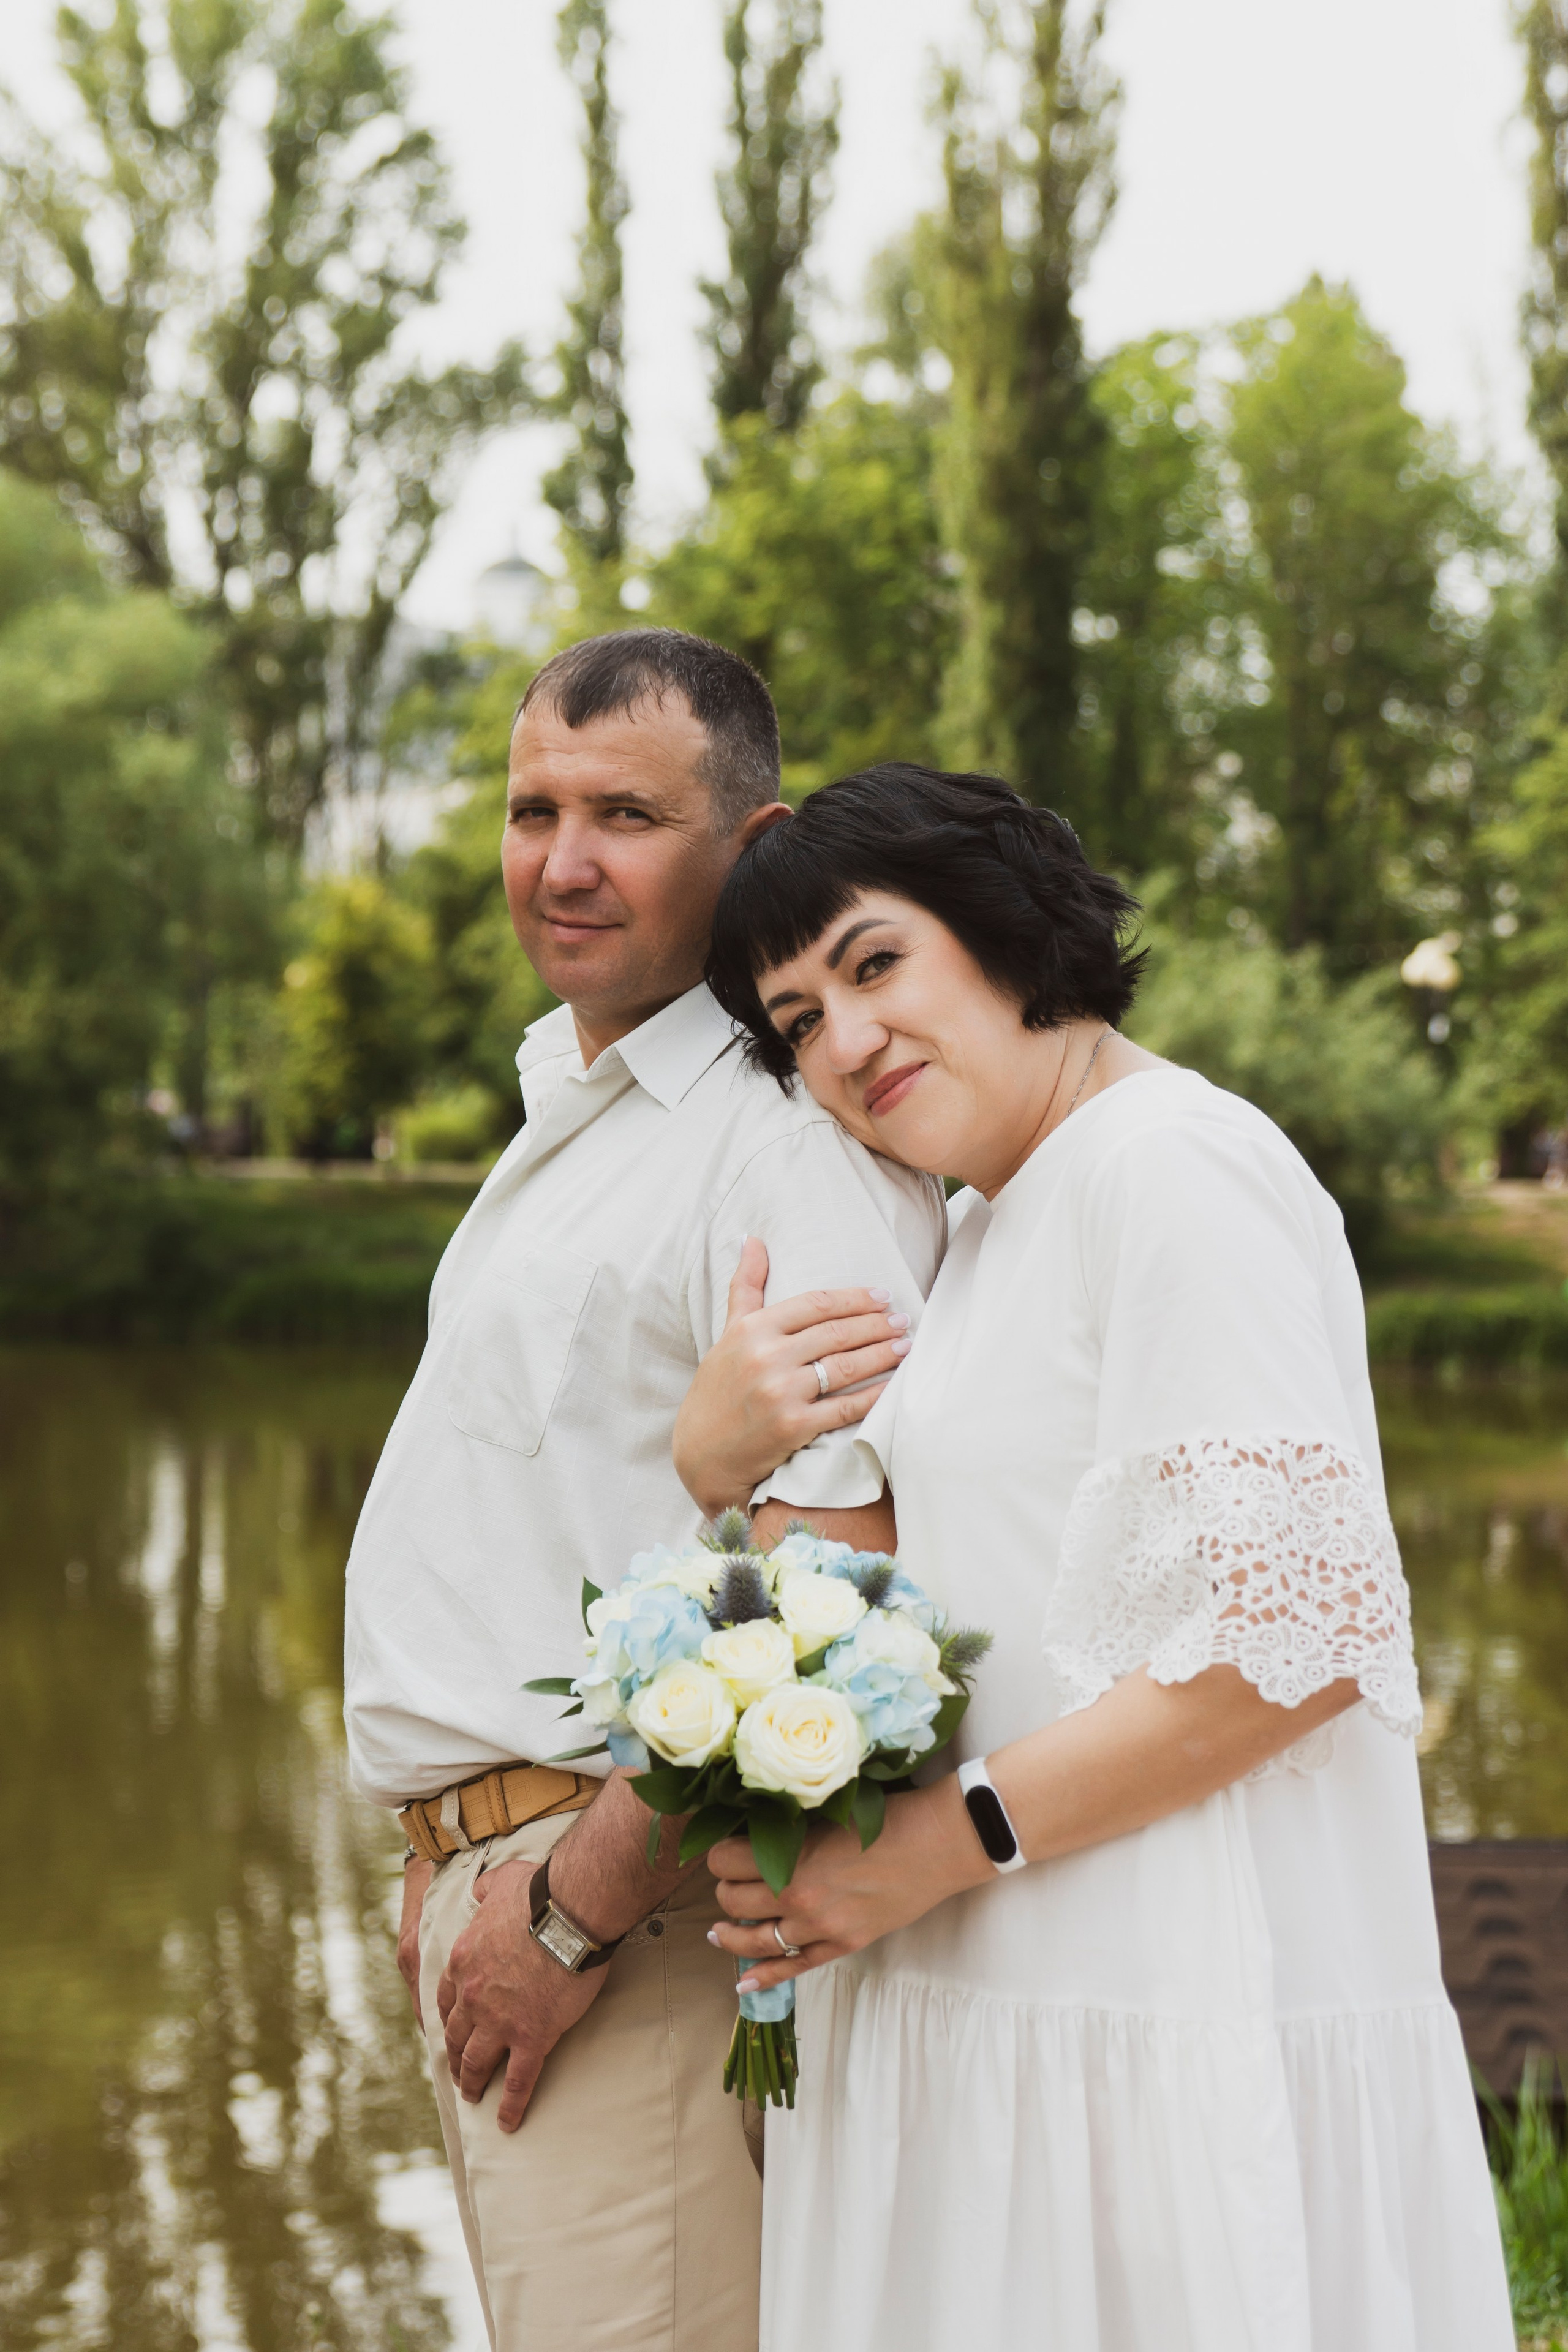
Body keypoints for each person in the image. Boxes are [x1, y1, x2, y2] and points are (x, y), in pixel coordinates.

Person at [676, 763, 1513, 2352]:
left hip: (1162, 2000)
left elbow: (1298, 1654)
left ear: (999, 927)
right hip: (1011, 1990)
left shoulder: (1172, 1171)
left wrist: (932, 1848)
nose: (843, 1044)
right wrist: (712, 1466)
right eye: (795, 1023)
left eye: (872, 965)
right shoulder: (996, 1221)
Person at [341, 638, 944, 2352]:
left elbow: (831, 1574)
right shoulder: (586, 1106)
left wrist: (566, 1905)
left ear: (751, 850)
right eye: (536, 809)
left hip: (636, 1925)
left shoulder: (776, 1139)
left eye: (625, 813)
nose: (563, 859)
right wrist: (451, 1859)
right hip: (515, 1890)